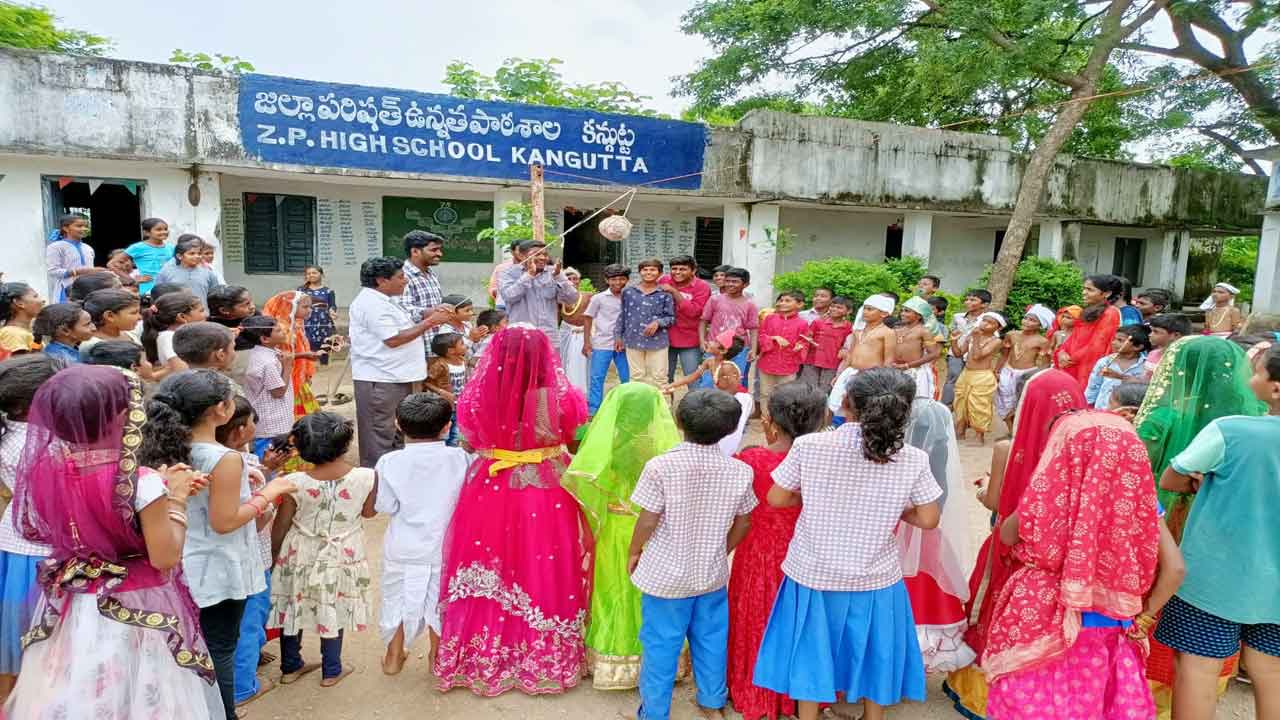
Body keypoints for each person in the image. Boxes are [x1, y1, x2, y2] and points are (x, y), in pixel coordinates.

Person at [4, 366, 222, 719]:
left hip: (75, 605)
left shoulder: (48, 470)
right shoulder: (142, 482)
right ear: (124, 417)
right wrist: (176, 499)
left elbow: (79, 521)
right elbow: (164, 556)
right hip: (138, 607)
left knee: (82, 692)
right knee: (144, 696)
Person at [753, 369, 940, 720]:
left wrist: (811, 498)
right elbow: (929, 518)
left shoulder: (811, 445)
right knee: (874, 652)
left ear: (846, 403)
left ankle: (806, 716)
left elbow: (778, 497)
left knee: (810, 652)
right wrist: (895, 509)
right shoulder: (912, 458)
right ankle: (872, 715)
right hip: (875, 576)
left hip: (812, 572)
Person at [434, 326, 591, 696]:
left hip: (491, 484)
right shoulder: (560, 397)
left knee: (492, 562)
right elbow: (573, 437)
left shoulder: (476, 395)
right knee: (542, 562)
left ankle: (483, 655)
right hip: (545, 486)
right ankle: (543, 658)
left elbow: (470, 440)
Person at [983, 410, 1164, 720]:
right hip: (1108, 623)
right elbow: (1175, 569)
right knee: (1092, 705)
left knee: (1035, 706)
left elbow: (1009, 532)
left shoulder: (1049, 496)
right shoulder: (1138, 505)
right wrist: (1144, 618)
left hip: (1040, 620)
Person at [140, 370, 295, 719]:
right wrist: (270, 493)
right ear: (220, 410)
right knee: (220, 649)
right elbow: (225, 522)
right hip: (216, 570)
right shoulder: (224, 458)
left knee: (187, 646)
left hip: (178, 561)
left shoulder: (162, 446)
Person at [1133, 335, 1267, 712]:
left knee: (1168, 597)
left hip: (1165, 524)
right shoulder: (1251, 418)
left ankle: (1146, 690)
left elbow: (1142, 472)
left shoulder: (1163, 418)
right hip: (1232, 538)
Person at [945, 369, 1087, 719]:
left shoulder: (1008, 448)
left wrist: (983, 490)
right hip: (1065, 552)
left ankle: (990, 686)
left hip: (1013, 547)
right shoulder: (1084, 448)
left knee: (1002, 607)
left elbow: (996, 503)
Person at [626, 388, 754, 720]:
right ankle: (713, 703)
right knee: (711, 641)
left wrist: (634, 551)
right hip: (710, 576)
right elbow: (744, 522)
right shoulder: (739, 471)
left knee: (660, 647)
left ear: (679, 421)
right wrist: (720, 549)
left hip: (666, 578)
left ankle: (654, 713)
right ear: (730, 429)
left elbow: (648, 519)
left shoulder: (660, 467)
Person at [563, 382, 681, 690]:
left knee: (613, 590)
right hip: (651, 528)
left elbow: (585, 480)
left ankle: (611, 661)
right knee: (650, 594)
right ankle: (655, 661)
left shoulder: (607, 444)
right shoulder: (660, 445)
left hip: (616, 528)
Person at [726, 382, 827, 720]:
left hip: (757, 553)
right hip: (809, 553)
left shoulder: (752, 459)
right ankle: (802, 694)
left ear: (769, 421)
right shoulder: (826, 460)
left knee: (758, 616)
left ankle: (756, 686)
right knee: (804, 624)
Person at [269, 412, 375, 688]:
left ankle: (290, 667)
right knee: (333, 604)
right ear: (345, 444)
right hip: (341, 551)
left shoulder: (294, 481)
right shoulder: (366, 476)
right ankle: (331, 670)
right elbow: (368, 512)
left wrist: (274, 556)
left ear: (302, 449)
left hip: (299, 551)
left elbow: (281, 524)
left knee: (292, 605)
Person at [375, 393, 469, 676]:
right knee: (440, 602)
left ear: (397, 425)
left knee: (396, 598)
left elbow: (386, 505)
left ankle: (393, 656)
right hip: (445, 546)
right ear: (446, 427)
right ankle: (437, 657)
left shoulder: (389, 462)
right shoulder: (461, 458)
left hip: (402, 546)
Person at [0, 355, 61, 703]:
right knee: (39, 640)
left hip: (15, 539)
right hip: (41, 549)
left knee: (21, 637)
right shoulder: (43, 442)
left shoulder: (10, 430)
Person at [900, 397, 976, 674]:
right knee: (928, 585)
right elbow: (940, 497)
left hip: (898, 525)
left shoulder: (902, 456)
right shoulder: (939, 452)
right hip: (928, 527)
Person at [349, 257, 449, 468]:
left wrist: (430, 313)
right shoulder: (371, 303)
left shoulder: (387, 299)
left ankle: (396, 477)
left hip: (398, 376)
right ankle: (377, 485)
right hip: (382, 380)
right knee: (380, 436)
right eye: (400, 277)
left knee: (398, 433)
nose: (405, 281)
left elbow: (408, 318)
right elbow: (393, 339)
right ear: (381, 280)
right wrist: (430, 322)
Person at [213, 396, 278, 709]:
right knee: (251, 620)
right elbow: (257, 520)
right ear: (239, 431)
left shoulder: (200, 459)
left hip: (216, 564)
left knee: (230, 625)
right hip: (252, 559)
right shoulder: (244, 468)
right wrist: (270, 494)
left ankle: (244, 667)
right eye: (253, 420)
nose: (257, 425)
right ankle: (243, 687)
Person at [827, 294, 897, 422]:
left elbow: (888, 360)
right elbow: (851, 355)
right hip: (851, 372)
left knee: (861, 407)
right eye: (864, 308)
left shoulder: (887, 332)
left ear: (884, 314)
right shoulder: (858, 331)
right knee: (838, 403)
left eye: (870, 309)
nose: (865, 312)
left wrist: (883, 380)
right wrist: (840, 374)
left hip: (871, 376)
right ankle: (834, 430)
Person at [498, 240, 578, 345]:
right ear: (522, 256)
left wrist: (559, 276)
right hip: (521, 338)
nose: (542, 257)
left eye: (545, 254)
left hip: (549, 338)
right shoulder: (508, 273)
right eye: (537, 254)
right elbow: (509, 296)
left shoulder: (553, 273)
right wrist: (529, 275)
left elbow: (572, 298)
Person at [238, 315, 295, 457]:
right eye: (277, 330)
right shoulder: (267, 362)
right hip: (271, 423)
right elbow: (278, 392)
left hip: (272, 419)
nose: (283, 331)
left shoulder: (263, 353)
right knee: (270, 457)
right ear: (265, 339)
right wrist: (287, 367)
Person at [1055, 274, 1123, 388]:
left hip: (1086, 367)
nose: (1084, 292)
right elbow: (1073, 337)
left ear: (1107, 294)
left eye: (1090, 290)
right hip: (1071, 362)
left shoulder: (1110, 313)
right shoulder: (1089, 310)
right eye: (1084, 289)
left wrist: (1071, 358)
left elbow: (1098, 345)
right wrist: (1062, 352)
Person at [262, 290, 322, 418]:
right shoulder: (281, 330)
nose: (309, 310)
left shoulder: (297, 325)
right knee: (294, 415)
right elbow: (279, 356)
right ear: (290, 306)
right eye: (305, 307)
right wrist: (304, 355)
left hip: (297, 377)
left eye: (310, 307)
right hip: (285, 378)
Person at [617, 258, 676, 387]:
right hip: (632, 339)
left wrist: (658, 322)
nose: (648, 272)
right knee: (636, 377)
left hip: (658, 341)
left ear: (660, 273)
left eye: (653, 270)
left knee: (659, 378)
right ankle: (638, 406)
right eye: (645, 269)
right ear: (640, 272)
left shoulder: (665, 294)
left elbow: (671, 318)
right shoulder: (628, 292)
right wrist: (618, 337)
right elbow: (623, 315)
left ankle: (663, 406)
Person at [583, 264, 631, 414]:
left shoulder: (631, 296)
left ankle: (626, 407)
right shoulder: (599, 298)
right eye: (614, 279)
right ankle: (594, 410)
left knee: (627, 377)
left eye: (622, 279)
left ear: (627, 280)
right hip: (602, 344)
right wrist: (586, 342)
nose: (618, 282)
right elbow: (587, 318)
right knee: (597, 377)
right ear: (607, 280)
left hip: (625, 344)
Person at [660, 255, 713, 383]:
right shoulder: (664, 280)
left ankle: (694, 403)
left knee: (693, 378)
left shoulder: (702, 286)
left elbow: (694, 312)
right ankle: (665, 403)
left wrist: (674, 292)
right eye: (674, 268)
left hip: (690, 339)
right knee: (664, 378)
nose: (677, 272)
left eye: (683, 269)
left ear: (693, 270)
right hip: (665, 338)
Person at [995, 306, 1052, 425]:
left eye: (1032, 320)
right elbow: (1004, 355)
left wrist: (1039, 378)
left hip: (1027, 374)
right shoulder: (1011, 335)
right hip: (1008, 372)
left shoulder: (1042, 341)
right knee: (1005, 402)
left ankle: (1017, 431)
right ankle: (1011, 430)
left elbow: (1045, 363)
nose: (1026, 321)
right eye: (1026, 318)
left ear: (1040, 325)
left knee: (1020, 403)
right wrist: (997, 371)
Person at [953, 312, 1003, 443]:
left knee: (979, 405)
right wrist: (953, 341)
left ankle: (979, 436)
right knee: (960, 402)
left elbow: (977, 356)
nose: (984, 323)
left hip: (982, 375)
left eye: (990, 322)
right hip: (966, 373)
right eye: (984, 320)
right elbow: (958, 354)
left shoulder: (996, 341)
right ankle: (960, 431)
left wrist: (976, 339)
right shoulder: (971, 336)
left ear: (998, 328)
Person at [700, 267, 758, 382]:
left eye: (735, 281)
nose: (730, 284)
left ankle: (734, 400)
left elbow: (753, 328)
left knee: (736, 380)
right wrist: (702, 341)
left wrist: (753, 349)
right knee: (709, 379)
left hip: (739, 349)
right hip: (715, 348)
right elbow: (703, 321)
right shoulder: (715, 300)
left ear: (745, 284)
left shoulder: (750, 305)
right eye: (728, 281)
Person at [756, 291, 808, 416]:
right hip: (767, 363)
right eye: (781, 300)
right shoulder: (769, 319)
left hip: (788, 365)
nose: (783, 303)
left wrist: (800, 346)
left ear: (800, 305)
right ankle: (766, 418)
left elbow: (805, 342)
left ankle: (780, 420)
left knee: (785, 395)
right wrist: (774, 338)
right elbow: (761, 336)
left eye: (788, 301)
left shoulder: (802, 323)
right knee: (765, 393)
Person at [399, 230, 448, 352]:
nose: (439, 254)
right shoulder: (403, 276)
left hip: (435, 344)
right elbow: (402, 312)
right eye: (433, 250)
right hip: (416, 347)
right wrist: (431, 312)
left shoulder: (430, 274)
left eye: (440, 250)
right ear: (415, 251)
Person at [1084, 324, 1150, 409]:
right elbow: (1093, 387)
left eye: (1120, 340)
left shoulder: (1146, 366)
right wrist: (1086, 407)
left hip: (1129, 412)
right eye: (1114, 339)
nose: (1113, 342)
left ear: (1138, 347)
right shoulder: (1104, 362)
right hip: (1102, 409)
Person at [143, 290, 206, 375]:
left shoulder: (179, 335)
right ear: (182, 317)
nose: (206, 315)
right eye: (201, 311)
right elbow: (182, 371)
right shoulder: (169, 337)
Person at [663, 330, 745, 395]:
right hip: (725, 398)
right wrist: (671, 385)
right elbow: (692, 377)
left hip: (738, 399)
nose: (710, 342)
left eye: (715, 342)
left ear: (723, 351)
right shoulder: (709, 361)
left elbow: (734, 390)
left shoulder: (727, 367)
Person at [946, 289, 990, 404]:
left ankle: (964, 410)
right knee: (953, 378)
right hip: (955, 353)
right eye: (966, 299)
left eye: (973, 300)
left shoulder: (987, 320)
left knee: (969, 382)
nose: (967, 302)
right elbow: (952, 331)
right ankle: (946, 406)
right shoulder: (957, 317)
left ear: (984, 304)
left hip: (974, 356)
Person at [425, 332, 469, 446]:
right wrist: (441, 392)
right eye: (462, 344)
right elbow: (427, 382)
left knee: (457, 433)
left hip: (460, 404)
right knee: (444, 434)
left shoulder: (463, 361)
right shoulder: (439, 365)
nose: (466, 346)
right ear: (451, 351)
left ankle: (453, 452)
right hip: (445, 406)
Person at [798, 295, 852, 388]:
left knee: (825, 389)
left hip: (832, 364)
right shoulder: (818, 322)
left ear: (849, 311)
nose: (834, 309)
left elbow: (846, 345)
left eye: (839, 307)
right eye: (832, 306)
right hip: (812, 361)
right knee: (809, 388)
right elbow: (807, 337)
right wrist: (808, 340)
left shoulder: (848, 327)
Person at [894, 296, 942, 400]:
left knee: (912, 402)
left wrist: (908, 365)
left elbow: (934, 354)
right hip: (895, 370)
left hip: (914, 372)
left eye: (907, 311)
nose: (902, 313)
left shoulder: (924, 331)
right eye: (902, 311)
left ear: (919, 316)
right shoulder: (898, 329)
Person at [155, 235, 223, 305]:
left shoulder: (208, 272)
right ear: (179, 256)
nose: (197, 256)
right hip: (176, 313)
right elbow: (158, 294)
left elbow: (214, 295)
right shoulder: (166, 271)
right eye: (192, 254)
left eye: (199, 253)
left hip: (201, 314)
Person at [45, 212, 96, 302]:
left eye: (85, 226)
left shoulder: (88, 248)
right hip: (67, 291)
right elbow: (53, 271)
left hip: (88, 290)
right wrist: (76, 271)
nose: (84, 229)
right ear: (66, 228)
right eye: (79, 226)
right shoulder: (56, 247)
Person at [80, 287, 142, 359]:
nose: (140, 317)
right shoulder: (93, 346)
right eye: (134, 313)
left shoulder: (129, 333)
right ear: (110, 316)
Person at [558, 268, 591, 393]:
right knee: (564, 361)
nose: (572, 281)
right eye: (568, 279)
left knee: (583, 364)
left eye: (575, 279)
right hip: (565, 334)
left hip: (584, 335)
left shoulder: (588, 296)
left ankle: (583, 392)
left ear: (579, 281)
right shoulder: (560, 299)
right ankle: (565, 391)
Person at [298, 265, 338, 364]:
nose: (311, 275)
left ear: (321, 275)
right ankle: (307, 369)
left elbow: (332, 306)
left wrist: (332, 312)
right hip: (306, 322)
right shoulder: (301, 290)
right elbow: (296, 306)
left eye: (314, 273)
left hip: (323, 323)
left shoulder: (328, 291)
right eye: (308, 273)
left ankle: (324, 367)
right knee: (307, 344)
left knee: (324, 345)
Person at [125, 217, 172, 295]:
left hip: (168, 289)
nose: (164, 232)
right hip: (148, 290)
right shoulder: (138, 247)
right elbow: (112, 264)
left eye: (165, 229)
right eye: (159, 229)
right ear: (147, 233)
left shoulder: (171, 247)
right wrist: (132, 280)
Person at [0, 283, 43, 360]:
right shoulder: (13, 334)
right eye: (35, 296)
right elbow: (21, 369)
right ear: (19, 303)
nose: (42, 300)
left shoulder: (23, 330)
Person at [1145, 313, 1191, 377]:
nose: (1150, 335)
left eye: (1155, 331)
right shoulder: (1152, 354)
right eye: (1151, 331)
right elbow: (1146, 377)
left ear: (1175, 335)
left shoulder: (1184, 359)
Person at [487, 240, 526, 309]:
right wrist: (497, 292)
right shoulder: (502, 268)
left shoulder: (532, 268)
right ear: (512, 252)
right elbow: (492, 289)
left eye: (525, 250)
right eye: (520, 250)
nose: (523, 253)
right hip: (503, 306)